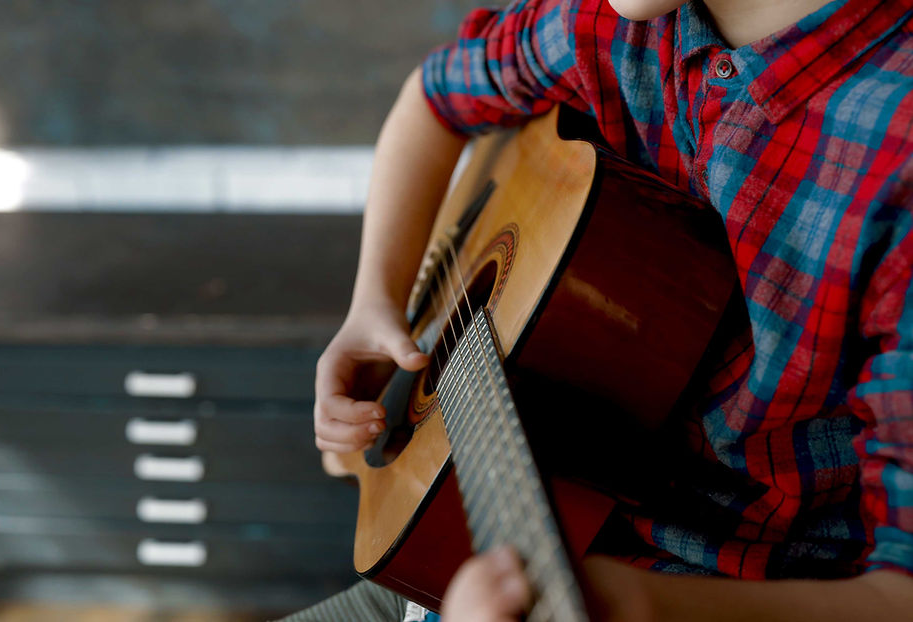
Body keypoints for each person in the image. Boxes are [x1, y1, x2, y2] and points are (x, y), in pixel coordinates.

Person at [308, 0, 913, 619]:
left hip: (739, 592)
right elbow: (433, 100)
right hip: (488, 544)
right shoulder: (608, 21)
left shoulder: (899, 151)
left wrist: (637, 603)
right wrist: (374, 303)